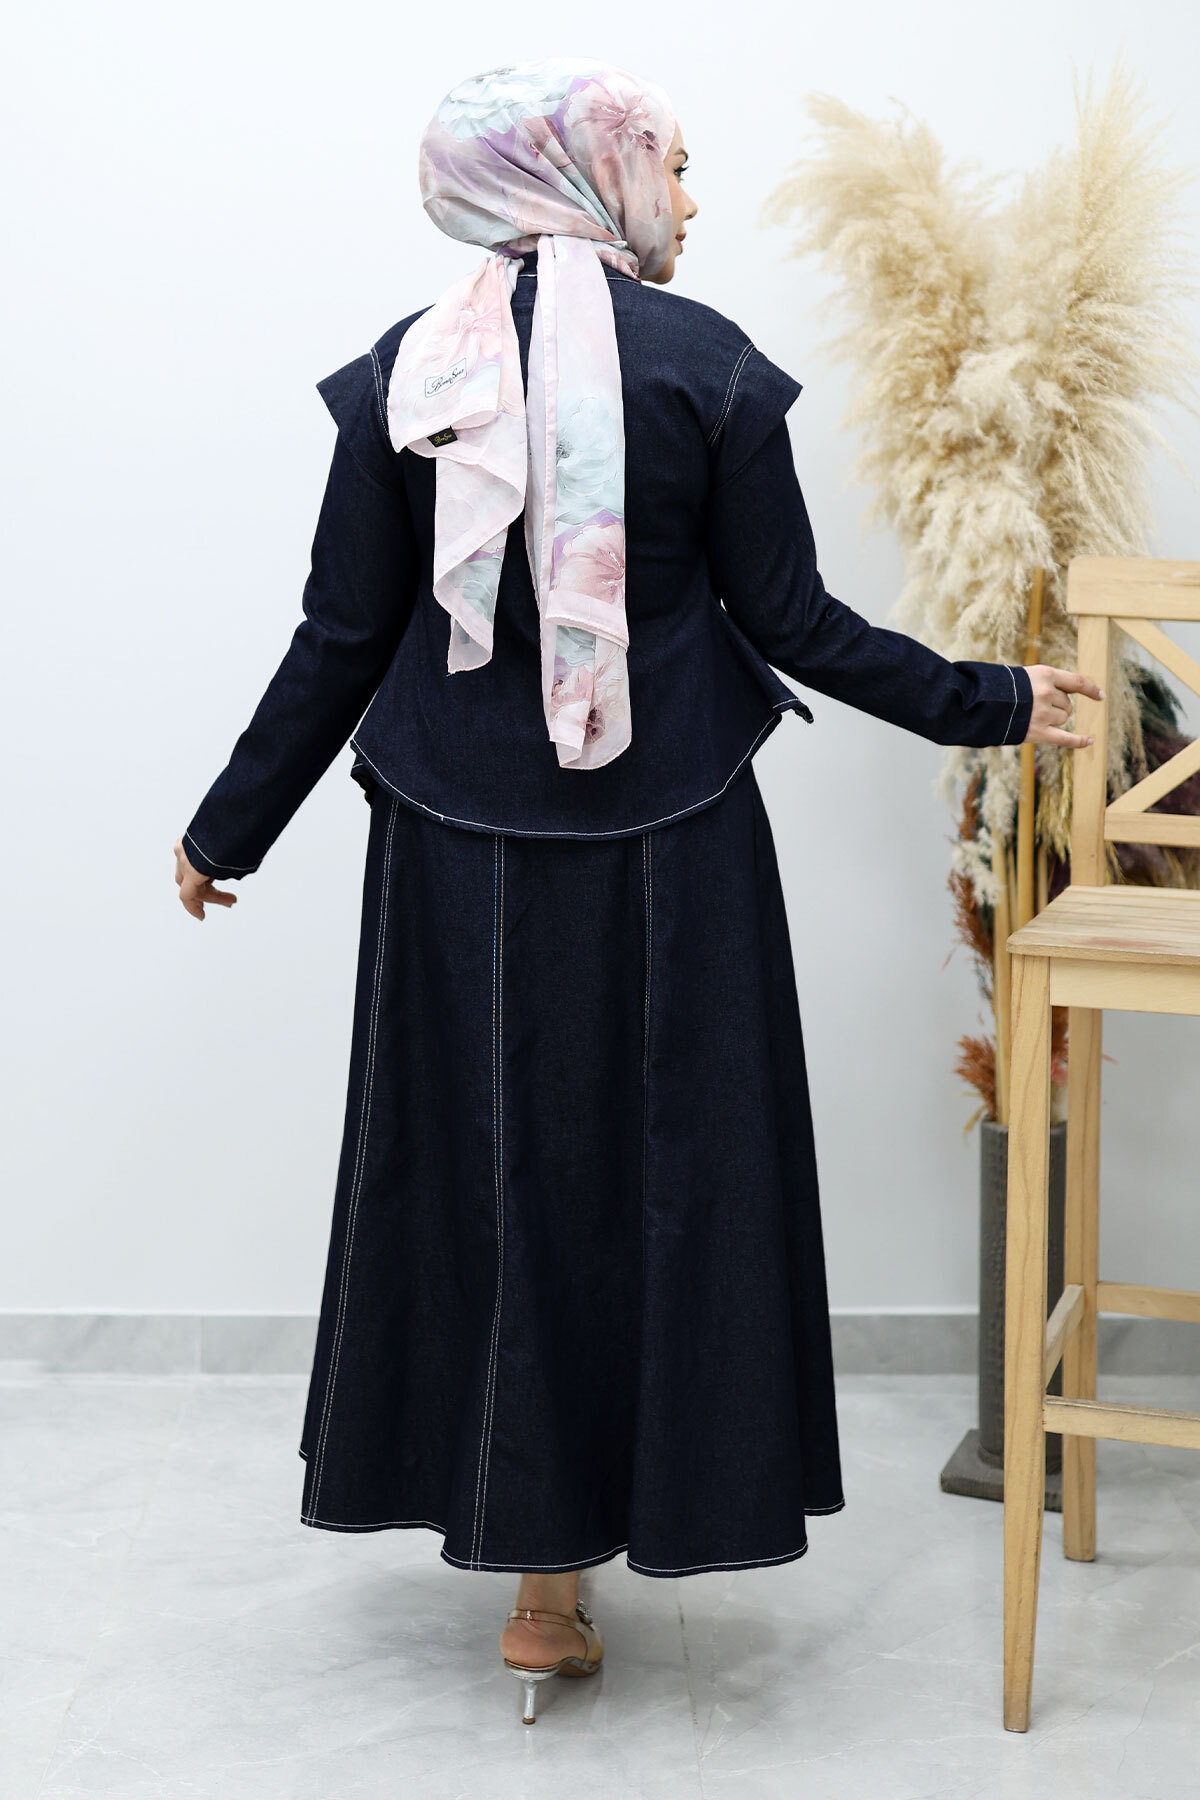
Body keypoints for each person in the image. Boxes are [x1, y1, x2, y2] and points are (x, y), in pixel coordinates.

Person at [173, 57, 1101, 1726]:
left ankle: (541, 1587)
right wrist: (997, 699)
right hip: (676, 837)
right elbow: (796, 626)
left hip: (454, 843)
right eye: (672, 162)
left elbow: (344, 635)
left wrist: (225, 830)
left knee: (488, 1173)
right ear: (583, 174)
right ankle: (634, 1520)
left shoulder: (409, 373)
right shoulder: (709, 369)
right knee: (671, 1176)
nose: (692, 194)